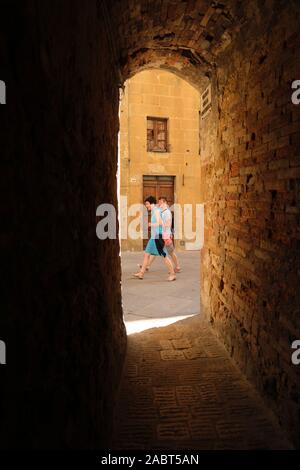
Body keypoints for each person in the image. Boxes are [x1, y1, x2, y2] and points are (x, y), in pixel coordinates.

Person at [133, 196, 176, 281]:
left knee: (164, 256)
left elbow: (160, 223)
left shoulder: (156, 211)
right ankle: (141, 273)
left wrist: (150, 225)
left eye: (147, 204)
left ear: (151, 203)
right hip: (153, 237)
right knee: (146, 254)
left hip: (157, 236)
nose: (146, 206)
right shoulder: (154, 211)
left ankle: (173, 274)